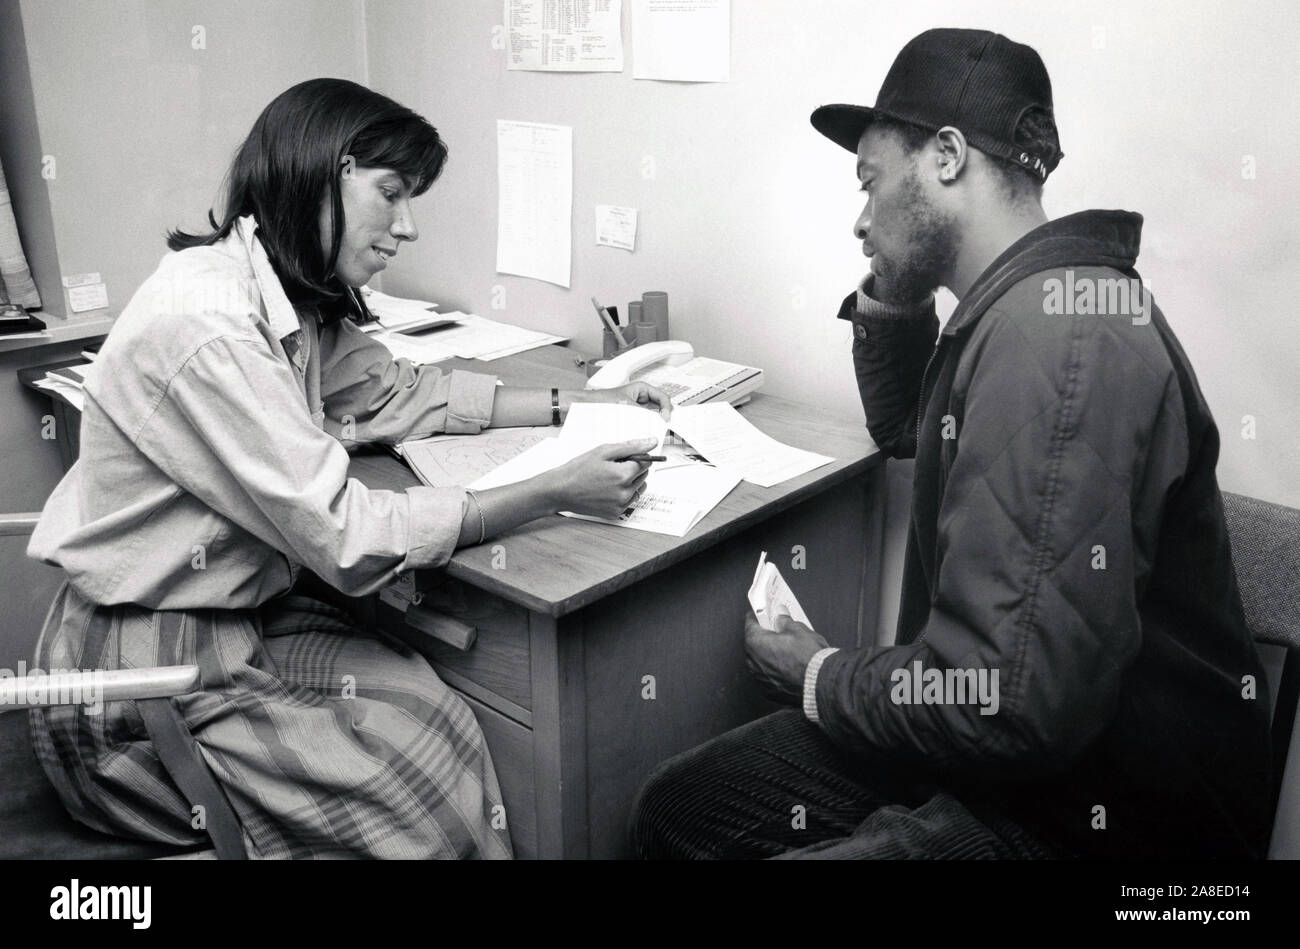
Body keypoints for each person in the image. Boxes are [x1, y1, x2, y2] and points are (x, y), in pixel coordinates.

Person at [631, 28, 1272, 859]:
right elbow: (907, 430)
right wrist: (896, 291)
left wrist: (820, 672)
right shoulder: (1017, 306)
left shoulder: (1059, 337)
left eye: (870, 182)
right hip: (1012, 746)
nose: (861, 219)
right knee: (680, 806)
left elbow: (1005, 705)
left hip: (1101, 811)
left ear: (945, 155)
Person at [27, 78, 669, 859]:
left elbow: (402, 392)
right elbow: (346, 535)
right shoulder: (210, 324)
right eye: (391, 194)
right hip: (146, 668)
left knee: (439, 713)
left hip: (236, 614)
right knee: (420, 802)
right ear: (319, 173)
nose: (409, 228)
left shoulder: (284, 292)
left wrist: (575, 405)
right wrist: (547, 491)